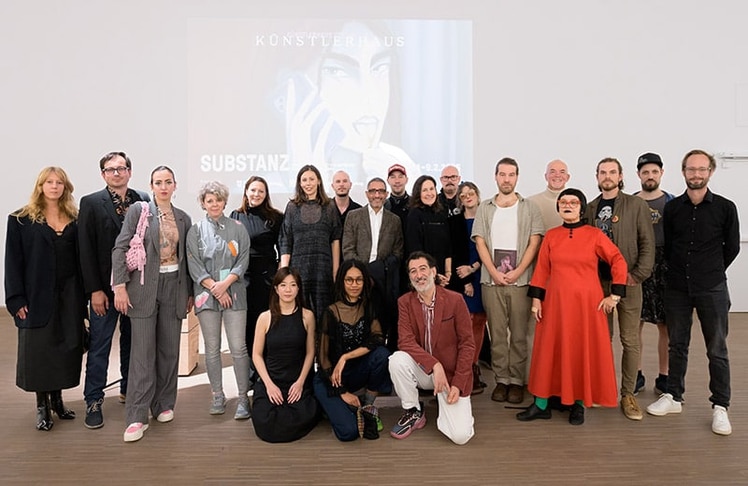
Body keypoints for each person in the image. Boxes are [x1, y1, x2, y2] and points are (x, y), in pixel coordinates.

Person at [646, 149, 740, 436]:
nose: (696, 174)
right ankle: (673, 396)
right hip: (677, 288)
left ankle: (720, 407)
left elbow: (732, 247)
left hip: (712, 288)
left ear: (710, 172)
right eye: (691, 169)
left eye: (701, 169)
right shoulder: (674, 209)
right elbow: (672, 245)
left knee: (717, 349)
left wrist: (709, 271)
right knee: (677, 345)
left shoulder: (725, 207)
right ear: (683, 171)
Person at [517, 189, 627, 425]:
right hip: (554, 304)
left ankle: (578, 404)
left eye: (573, 202)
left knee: (580, 350)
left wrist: (615, 296)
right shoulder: (552, 236)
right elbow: (542, 270)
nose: (568, 205)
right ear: (558, 207)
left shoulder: (595, 235)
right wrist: (536, 300)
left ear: (581, 207)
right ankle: (542, 403)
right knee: (549, 350)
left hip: (585, 307)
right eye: (563, 202)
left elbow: (617, 259)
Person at [285, 20, 420, 187]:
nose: (369, 97)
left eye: (380, 68)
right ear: (303, 86)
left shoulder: (402, 164)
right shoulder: (272, 184)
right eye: (338, 71)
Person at [112, 166, 193, 443]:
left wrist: (190, 293)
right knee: (142, 355)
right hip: (143, 289)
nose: (163, 187)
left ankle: (164, 403)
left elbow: (187, 260)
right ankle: (136, 415)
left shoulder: (183, 218)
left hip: (174, 288)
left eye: (168, 182)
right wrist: (119, 286)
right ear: (151, 185)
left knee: (169, 351)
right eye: (158, 182)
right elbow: (120, 247)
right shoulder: (139, 211)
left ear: (175, 185)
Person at [5, 167, 85, 431]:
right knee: (39, 352)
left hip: (69, 295)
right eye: (49, 182)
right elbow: (13, 263)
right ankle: (42, 406)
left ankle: (58, 401)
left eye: (59, 182)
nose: (54, 186)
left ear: (65, 187)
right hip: (36, 296)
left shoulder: (75, 218)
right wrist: (16, 300)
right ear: (40, 186)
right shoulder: (20, 220)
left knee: (65, 348)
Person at [78, 151, 150, 429]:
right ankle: (93, 399)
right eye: (111, 169)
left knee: (133, 344)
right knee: (99, 346)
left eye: (121, 168)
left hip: (137, 289)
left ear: (130, 171)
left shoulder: (143, 199)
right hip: (104, 292)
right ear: (103, 174)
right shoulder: (91, 203)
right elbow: (85, 250)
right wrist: (94, 290)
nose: (117, 173)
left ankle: (129, 388)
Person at [584, 157, 654, 421]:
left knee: (630, 340)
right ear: (597, 176)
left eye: (612, 172)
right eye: (603, 172)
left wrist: (637, 276)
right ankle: (602, 389)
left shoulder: (636, 205)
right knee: (602, 339)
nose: (607, 176)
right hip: (598, 285)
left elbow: (647, 243)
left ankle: (628, 393)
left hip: (628, 282)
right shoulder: (589, 208)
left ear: (621, 175)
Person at [472, 157, 544, 405]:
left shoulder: (529, 208)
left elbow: (534, 243)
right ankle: (502, 380)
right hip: (491, 281)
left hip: (520, 280)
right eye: (502, 174)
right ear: (495, 177)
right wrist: (493, 271)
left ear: (517, 177)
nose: (506, 179)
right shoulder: (485, 207)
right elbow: (480, 241)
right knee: (499, 334)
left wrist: (518, 271)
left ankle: (517, 382)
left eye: (511, 174)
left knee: (520, 334)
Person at [388, 251, 475, 445]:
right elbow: (406, 341)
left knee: (460, 437)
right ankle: (413, 411)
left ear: (434, 271)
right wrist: (435, 365)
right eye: (413, 271)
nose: (418, 275)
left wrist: (459, 383)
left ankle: (449, 404)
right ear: (409, 277)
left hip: (451, 376)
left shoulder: (455, 300)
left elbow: (467, 345)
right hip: (425, 370)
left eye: (422, 269)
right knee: (397, 360)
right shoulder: (404, 302)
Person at [187, 181, 251, 419]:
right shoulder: (194, 231)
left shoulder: (238, 227)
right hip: (206, 295)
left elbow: (243, 260)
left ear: (225, 201)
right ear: (203, 204)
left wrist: (225, 286)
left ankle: (244, 398)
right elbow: (194, 263)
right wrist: (215, 288)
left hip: (234, 293)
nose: (214, 204)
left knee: (238, 347)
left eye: (218, 199)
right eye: (209, 200)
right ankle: (217, 394)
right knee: (211, 350)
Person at [313, 260, 392, 441]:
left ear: (365, 282)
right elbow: (323, 358)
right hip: (330, 378)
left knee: (382, 355)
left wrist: (346, 357)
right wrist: (342, 392)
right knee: (349, 433)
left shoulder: (369, 307)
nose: (354, 285)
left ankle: (367, 406)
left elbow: (378, 338)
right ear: (341, 281)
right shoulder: (330, 312)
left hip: (355, 372)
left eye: (358, 280)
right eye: (349, 280)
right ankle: (338, 407)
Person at [251, 267, 319, 442]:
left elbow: (311, 352)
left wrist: (300, 383)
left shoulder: (307, 316)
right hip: (272, 380)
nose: (288, 290)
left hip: (297, 381)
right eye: (283, 285)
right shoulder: (264, 318)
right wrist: (269, 385)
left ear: (298, 288)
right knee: (265, 422)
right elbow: (257, 355)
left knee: (300, 416)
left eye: (293, 285)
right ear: (276, 289)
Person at [229, 175, 284, 386]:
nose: (256, 194)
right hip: (242, 279)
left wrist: (278, 272)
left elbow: (283, 247)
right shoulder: (236, 215)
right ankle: (252, 374)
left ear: (266, 194)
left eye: (261, 191)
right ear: (246, 192)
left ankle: (267, 372)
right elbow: (230, 246)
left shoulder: (275, 218)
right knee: (247, 327)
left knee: (268, 326)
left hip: (267, 279)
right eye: (253, 190)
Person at [342, 177, 404, 349]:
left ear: (386, 194)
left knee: (384, 320)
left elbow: (398, 251)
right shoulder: (353, 216)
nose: (377, 195)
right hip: (359, 277)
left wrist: (381, 269)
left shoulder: (394, 220)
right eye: (373, 191)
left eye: (381, 191)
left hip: (384, 278)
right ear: (366, 194)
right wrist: (364, 272)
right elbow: (347, 249)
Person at [279, 164, 342, 324]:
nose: (308, 183)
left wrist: (335, 271)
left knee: (323, 315)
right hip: (299, 270)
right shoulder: (292, 207)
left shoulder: (330, 206)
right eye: (304, 180)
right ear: (299, 183)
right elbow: (286, 240)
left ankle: (321, 349)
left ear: (319, 181)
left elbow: (335, 240)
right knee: (300, 314)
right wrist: (285, 271)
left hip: (323, 269)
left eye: (312, 179)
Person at [634, 152, 674, 395]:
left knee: (665, 327)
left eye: (654, 171)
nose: (650, 176)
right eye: (645, 172)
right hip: (637, 266)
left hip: (665, 269)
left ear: (661, 173)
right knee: (633, 325)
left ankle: (665, 376)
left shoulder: (672, 202)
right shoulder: (629, 202)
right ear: (638, 174)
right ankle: (636, 374)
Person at [449, 182, 487, 394]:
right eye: (463, 195)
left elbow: (491, 248)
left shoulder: (487, 218)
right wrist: (466, 280)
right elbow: (454, 251)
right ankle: (463, 367)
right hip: (463, 277)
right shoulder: (454, 221)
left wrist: (475, 269)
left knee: (480, 321)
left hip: (484, 271)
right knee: (466, 323)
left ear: (477, 194)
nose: (468, 197)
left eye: (471, 193)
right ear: (460, 200)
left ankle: (473, 366)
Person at [405, 175, 452, 285]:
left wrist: (448, 273)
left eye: (431, 189)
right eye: (425, 190)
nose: (429, 193)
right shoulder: (414, 214)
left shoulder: (441, 213)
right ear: (418, 193)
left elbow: (448, 247)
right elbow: (415, 250)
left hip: (444, 275)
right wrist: (433, 275)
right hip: (424, 275)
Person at [528, 159, 571, 231]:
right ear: (546, 176)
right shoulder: (531, 203)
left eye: (562, 172)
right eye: (552, 172)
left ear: (567, 177)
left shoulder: (576, 203)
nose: (557, 175)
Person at [384, 163, 410, 231]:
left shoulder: (415, 205)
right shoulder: (383, 206)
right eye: (393, 177)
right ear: (388, 181)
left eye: (400, 177)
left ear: (406, 180)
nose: (397, 181)